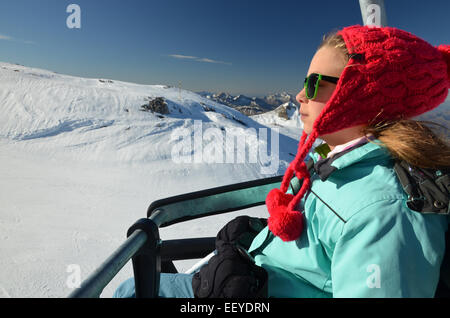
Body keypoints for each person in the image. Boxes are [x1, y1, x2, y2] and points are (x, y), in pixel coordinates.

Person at [114, 24, 450, 298]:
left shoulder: (384, 211)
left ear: (360, 96)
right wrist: (258, 239)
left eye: (314, 83)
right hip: (250, 276)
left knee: (132, 292)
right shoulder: (340, 164)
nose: (299, 95)